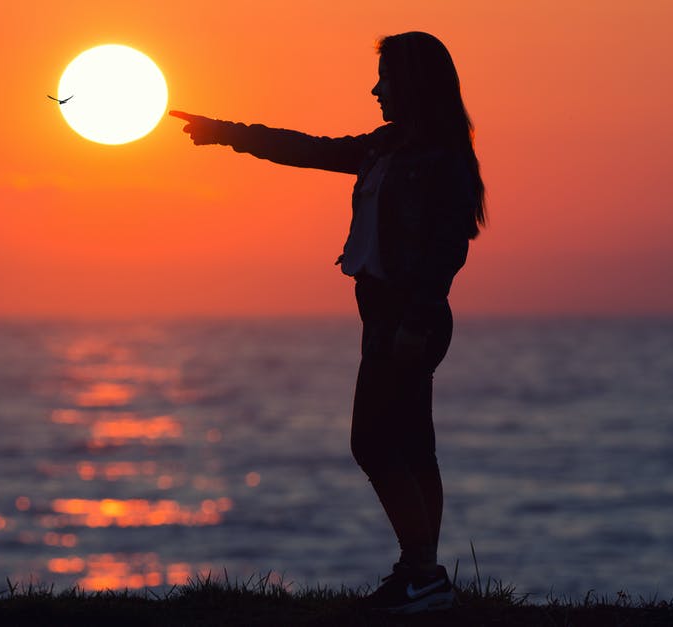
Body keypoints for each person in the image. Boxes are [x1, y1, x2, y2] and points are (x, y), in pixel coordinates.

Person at [170, 31, 485, 614]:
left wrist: (414, 321)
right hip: (385, 317)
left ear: (414, 83)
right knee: (413, 445)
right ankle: (421, 575)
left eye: (385, 78)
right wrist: (225, 133)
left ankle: (425, 573)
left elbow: (448, 248)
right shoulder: (384, 148)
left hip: (410, 319)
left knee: (372, 441)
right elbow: (307, 149)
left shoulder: (442, 160)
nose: (375, 89)